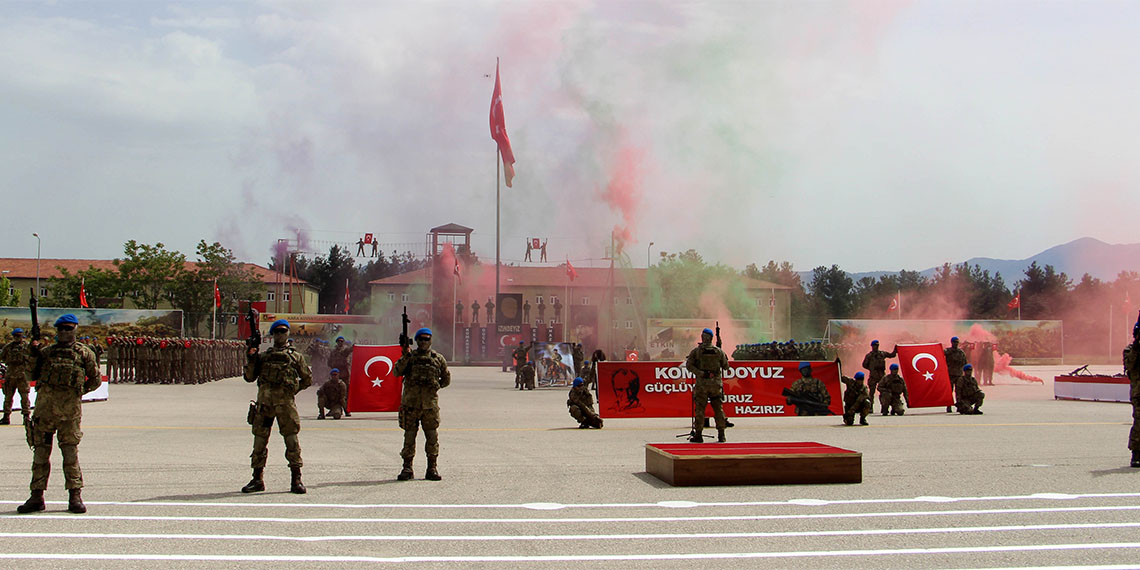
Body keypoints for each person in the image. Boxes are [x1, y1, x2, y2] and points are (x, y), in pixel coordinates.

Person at [17, 314, 101, 514]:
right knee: (40, 455)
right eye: (61, 328)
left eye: (68, 328)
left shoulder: (84, 353)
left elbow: (95, 379)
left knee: (70, 455)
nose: (64, 332)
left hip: (69, 415)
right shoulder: (46, 353)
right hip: (45, 413)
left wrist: (78, 392)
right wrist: (32, 352)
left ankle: (75, 496)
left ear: (75, 329)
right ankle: (36, 496)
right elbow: (30, 374)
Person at [242, 319, 313, 494]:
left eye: (283, 331)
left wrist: (292, 390)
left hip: (285, 406)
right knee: (259, 441)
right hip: (265, 405)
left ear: (288, 333)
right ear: (272, 335)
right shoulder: (264, 357)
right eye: (277, 332)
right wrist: (251, 358)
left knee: (291, 440)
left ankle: (296, 479)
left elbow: (307, 379)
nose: (280, 335)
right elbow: (249, 377)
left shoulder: (295, 357)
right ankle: (257, 479)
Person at [394, 328, 450, 481]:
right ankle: (407, 468)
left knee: (432, 438)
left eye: (426, 339)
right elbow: (396, 372)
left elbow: (446, 379)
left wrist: (435, 386)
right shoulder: (409, 357)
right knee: (409, 438)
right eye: (421, 339)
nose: (423, 342)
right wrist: (405, 354)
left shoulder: (438, 359)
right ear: (416, 341)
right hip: (411, 405)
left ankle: (432, 468)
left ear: (430, 340)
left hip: (429, 407)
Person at [684, 328, 729, 443]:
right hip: (716, 385)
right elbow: (726, 366)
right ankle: (721, 434)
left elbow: (689, 366)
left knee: (700, 409)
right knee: (718, 409)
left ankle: (698, 435)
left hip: (702, 385)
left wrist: (700, 373)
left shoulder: (697, 351)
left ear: (702, 337)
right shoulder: (718, 351)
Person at [1, 327, 32, 425]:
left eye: (19, 336)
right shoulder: (8, 347)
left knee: (24, 397)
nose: (17, 338)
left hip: (23, 375)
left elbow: (33, 358)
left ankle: (26, 417)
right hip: (10, 375)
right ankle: (6, 416)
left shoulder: (27, 347)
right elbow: (2, 356)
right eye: (15, 336)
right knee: (8, 397)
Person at [861, 340, 897, 413]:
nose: (875, 347)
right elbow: (864, 364)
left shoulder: (882, 354)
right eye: (874, 345)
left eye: (877, 345)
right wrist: (871, 368)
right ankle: (870, 407)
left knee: (884, 392)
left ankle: (884, 407)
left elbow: (891, 355)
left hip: (882, 376)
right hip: (873, 376)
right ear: (872, 346)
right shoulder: (869, 356)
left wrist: (896, 350)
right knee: (871, 393)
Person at [1125, 319, 1140, 467]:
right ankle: (1136, 453)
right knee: (1139, 424)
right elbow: (1130, 365)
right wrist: (1137, 347)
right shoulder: (1130, 350)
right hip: (1139, 394)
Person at [327, 336, 353, 417]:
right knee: (333, 392)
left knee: (345, 393)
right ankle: (334, 409)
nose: (340, 343)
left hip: (345, 374)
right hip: (336, 374)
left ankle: (347, 410)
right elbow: (329, 361)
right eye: (338, 341)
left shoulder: (345, 350)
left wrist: (353, 346)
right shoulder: (333, 351)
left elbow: (350, 350)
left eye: (341, 341)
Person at [944, 336, 968, 413]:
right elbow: (940, 354)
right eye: (954, 342)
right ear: (952, 343)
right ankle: (949, 406)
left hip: (958, 375)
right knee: (949, 391)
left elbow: (964, 363)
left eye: (957, 342)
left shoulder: (961, 352)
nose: (956, 344)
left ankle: (959, 406)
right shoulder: (947, 351)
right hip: (950, 374)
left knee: (959, 391)